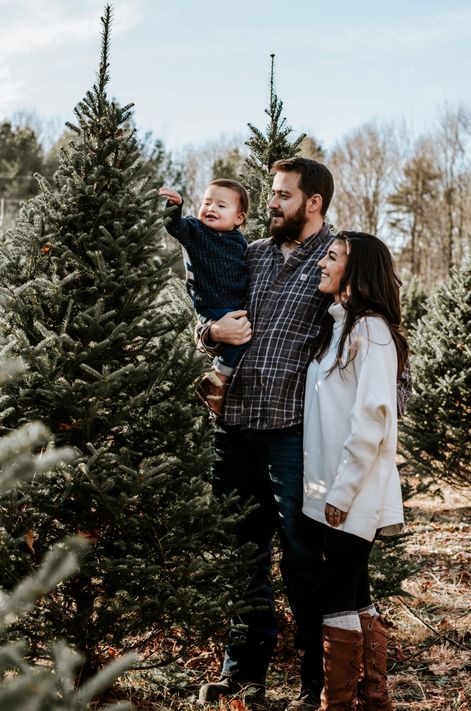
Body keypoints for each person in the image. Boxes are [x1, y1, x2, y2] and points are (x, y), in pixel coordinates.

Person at [195, 157, 337, 708]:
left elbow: (368, 327)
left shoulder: (334, 259)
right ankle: (242, 675)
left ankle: (314, 680)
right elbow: (207, 306)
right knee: (241, 553)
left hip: (293, 434)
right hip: (233, 429)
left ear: (313, 202)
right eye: (271, 194)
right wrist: (210, 331)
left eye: (282, 195)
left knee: (303, 557)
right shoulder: (245, 253)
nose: (271, 202)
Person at [302, 231, 408, 710]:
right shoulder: (342, 326)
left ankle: (338, 703)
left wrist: (340, 494)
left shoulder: (371, 332)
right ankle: (373, 698)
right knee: (356, 590)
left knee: (337, 594)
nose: (322, 263)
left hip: (353, 492)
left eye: (332, 257)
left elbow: (373, 420)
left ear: (357, 270)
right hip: (334, 488)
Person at [159, 179, 249, 416]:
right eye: (207, 202)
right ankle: (216, 379)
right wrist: (174, 206)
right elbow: (174, 225)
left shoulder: (239, 242)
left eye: (221, 205)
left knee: (243, 336)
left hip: (234, 304)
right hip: (211, 304)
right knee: (240, 339)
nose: (211, 209)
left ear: (238, 218)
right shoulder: (195, 230)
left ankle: (219, 381)